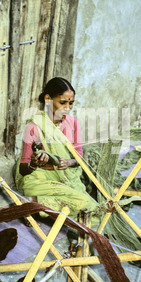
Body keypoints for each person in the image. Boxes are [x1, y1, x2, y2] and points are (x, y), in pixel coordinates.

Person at [15, 77, 100, 224]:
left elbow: (79, 155)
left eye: (71, 103)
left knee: (86, 205)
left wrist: (69, 162)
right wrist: (34, 164)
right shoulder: (34, 127)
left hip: (66, 176)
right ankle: (36, 203)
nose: (67, 108)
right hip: (41, 177)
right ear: (48, 99)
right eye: (62, 102)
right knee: (82, 204)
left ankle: (36, 204)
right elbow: (24, 169)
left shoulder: (72, 123)